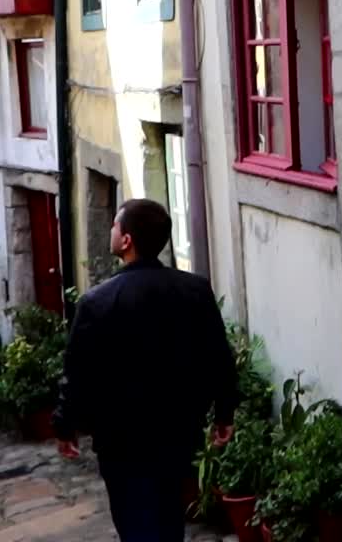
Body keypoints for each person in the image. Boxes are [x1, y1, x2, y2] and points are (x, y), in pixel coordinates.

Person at [52, 198, 237, 542]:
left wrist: (66, 425)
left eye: (114, 225)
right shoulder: (194, 290)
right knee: (168, 517)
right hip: (178, 429)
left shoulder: (97, 302)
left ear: (127, 241)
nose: (110, 229)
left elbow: (77, 373)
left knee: (132, 520)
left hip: (120, 438)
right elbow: (217, 356)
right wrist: (224, 412)